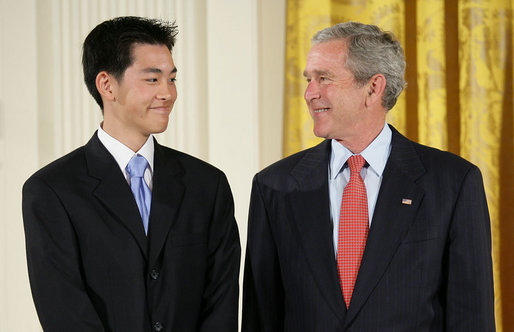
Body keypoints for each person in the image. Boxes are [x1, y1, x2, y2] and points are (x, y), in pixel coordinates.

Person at [242, 22, 495, 331]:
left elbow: (472, 318)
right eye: (309, 79)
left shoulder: (453, 183)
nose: (310, 93)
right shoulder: (274, 186)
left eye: (324, 79)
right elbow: (261, 318)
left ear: (373, 88)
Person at [22, 16, 240, 332]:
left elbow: (221, 301)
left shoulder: (207, 185)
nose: (167, 93)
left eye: (172, 79)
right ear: (107, 85)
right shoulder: (52, 191)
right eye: (152, 80)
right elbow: (64, 312)